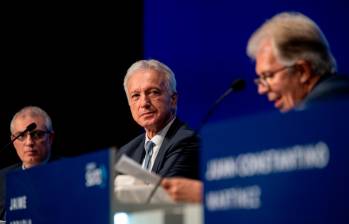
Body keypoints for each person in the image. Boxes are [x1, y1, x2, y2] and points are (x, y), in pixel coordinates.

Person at [246, 11, 349, 112]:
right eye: (261, 78)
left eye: (269, 76)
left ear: (303, 71)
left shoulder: (323, 109)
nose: (261, 90)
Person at [116, 59, 200, 179]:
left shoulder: (187, 142)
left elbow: (161, 193)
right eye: (135, 96)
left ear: (173, 99)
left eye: (153, 92)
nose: (144, 103)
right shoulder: (126, 153)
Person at [0, 106, 55, 220]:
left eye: (37, 134)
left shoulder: (70, 173)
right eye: (21, 136)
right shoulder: (2, 179)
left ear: (50, 138)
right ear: (13, 142)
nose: (29, 142)